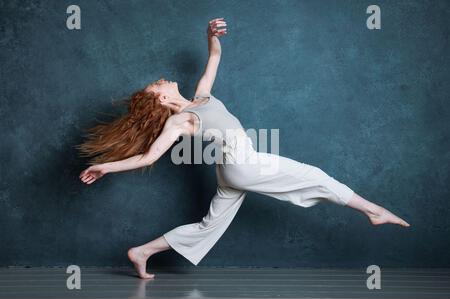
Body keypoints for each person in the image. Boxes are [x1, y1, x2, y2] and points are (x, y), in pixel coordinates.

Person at [78, 18, 409, 279]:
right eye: (158, 84)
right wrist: (107, 166)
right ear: (162, 99)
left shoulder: (201, 97)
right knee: (315, 175)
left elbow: (214, 56)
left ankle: (142, 252)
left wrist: (210, 34)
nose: (162, 78)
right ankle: (374, 211)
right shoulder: (179, 122)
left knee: (208, 227)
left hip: (230, 171)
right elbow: (149, 156)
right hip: (242, 163)